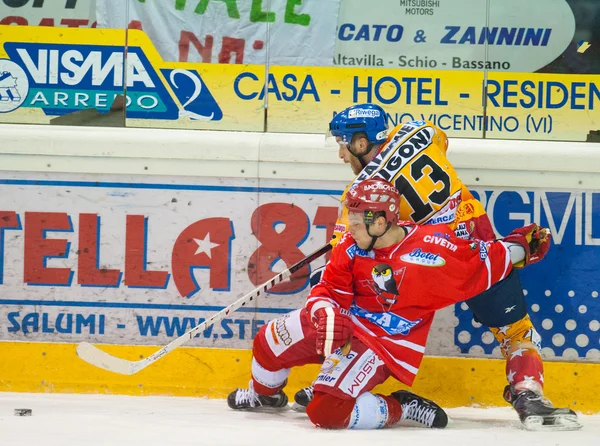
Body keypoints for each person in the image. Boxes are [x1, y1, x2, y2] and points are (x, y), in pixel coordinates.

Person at [292, 103, 581, 430]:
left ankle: (344, 382)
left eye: (343, 145)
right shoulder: (419, 130)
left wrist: (339, 241)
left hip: (420, 270)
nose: (342, 155)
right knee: (515, 330)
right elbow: (441, 144)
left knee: (361, 309)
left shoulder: (358, 195)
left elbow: (349, 247)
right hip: (475, 252)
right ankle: (528, 393)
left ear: (361, 143)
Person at [227, 179, 558, 431]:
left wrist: (520, 246)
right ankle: (266, 396)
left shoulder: (432, 254)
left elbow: (483, 261)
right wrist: (326, 311)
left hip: (384, 341)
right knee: (266, 344)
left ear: (382, 221)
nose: (348, 227)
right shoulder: (350, 243)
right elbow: (330, 288)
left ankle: (400, 406)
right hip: (345, 322)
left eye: (357, 220)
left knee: (325, 413)